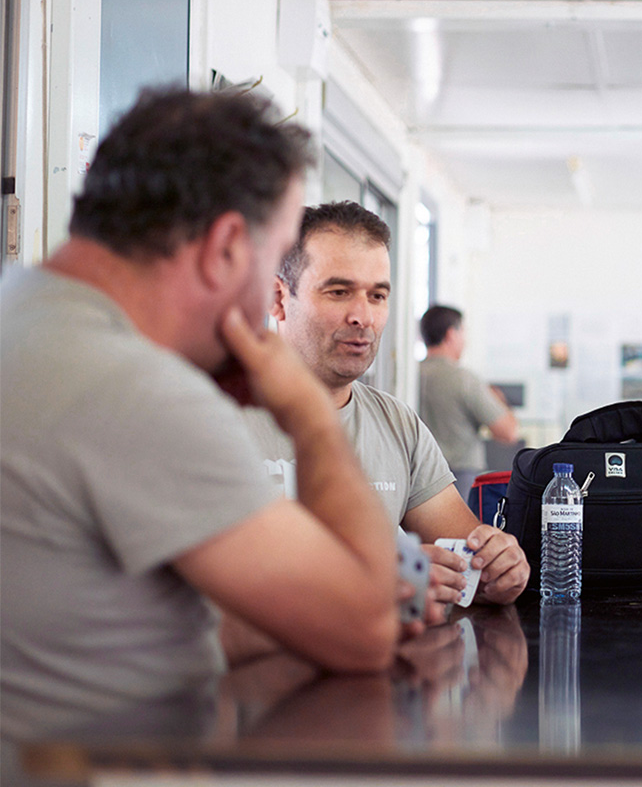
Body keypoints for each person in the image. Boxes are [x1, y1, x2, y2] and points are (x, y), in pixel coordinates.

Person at [0, 90, 399, 744]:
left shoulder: (23, 311)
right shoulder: (130, 386)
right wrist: (309, 416)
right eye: (271, 262)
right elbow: (364, 631)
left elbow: (129, 620)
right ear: (225, 249)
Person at [244, 203, 529, 608]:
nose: (363, 316)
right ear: (277, 298)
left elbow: (468, 563)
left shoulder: (397, 425)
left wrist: (498, 568)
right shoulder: (205, 413)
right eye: (338, 292)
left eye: (377, 295)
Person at [418, 305, 519, 498]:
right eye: (463, 332)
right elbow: (509, 432)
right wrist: (498, 401)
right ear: (451, 334)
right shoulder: (463, 379)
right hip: (459, 481)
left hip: (419, 478)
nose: (465, 340)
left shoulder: (412, 376)